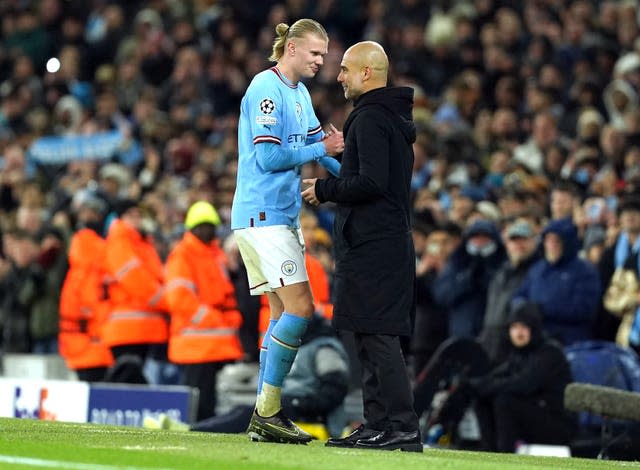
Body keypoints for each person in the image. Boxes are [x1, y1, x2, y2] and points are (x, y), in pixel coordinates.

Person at [302, 41, 422, 452]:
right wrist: (339, 163)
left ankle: (401, 427)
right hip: (381, 243)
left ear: (368, 73)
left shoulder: (369, 118)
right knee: (370, 336)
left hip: (375, 245)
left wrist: (324, 188)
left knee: (379, 336)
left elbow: (369, 184)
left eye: (346, 70)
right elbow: (375, 178)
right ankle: (378, 425)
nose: (339, 77)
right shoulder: (388, 118)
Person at [231, 18, 344, 444]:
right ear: (291, 48)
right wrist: (323, 150)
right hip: (263, 216)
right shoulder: (266, 88)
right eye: (315, 53)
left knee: (281, 315)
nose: (321, 61)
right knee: (301, 309)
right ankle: (267, 410)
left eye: (324, 54)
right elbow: (269, 159)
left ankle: (266, 415)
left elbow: (324, 150)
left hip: (279, 216)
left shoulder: (299, 94)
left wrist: (354, 179)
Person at [426, 302, 577, 452]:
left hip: (557, 424)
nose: (519, 333)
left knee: (504, 401)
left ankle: (504, 453)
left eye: (524, 327)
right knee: (484, 397)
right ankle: (488, 450)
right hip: (535, 415)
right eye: (515, 327)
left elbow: (524, 384)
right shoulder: (519, 355)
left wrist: (482, 386)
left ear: (534, 329)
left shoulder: (549, 353)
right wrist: (470, 387)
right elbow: (495, 377)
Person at [164, 201, 244, 421]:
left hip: (218, 345)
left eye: (211, 225)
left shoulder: (216, 254)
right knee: (199, 408)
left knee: (213, 405)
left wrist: (229, 319)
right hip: (196, 346)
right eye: (203, 226)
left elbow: (226, 293)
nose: (209, 230)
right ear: (193, 228)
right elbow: (179, 298)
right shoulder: (182, 254)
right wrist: (214, 319)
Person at [101, 199, 169, 384]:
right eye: (132, 215)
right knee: (128, 381)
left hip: (140, 327)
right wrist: (167, 300)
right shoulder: (121, 239)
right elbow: (135, 279)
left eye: (139, 214)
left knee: (133, 381)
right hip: (128, 327)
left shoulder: (141, 242)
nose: (137, 219)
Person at [512, 217, 601, 346]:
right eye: (548, 240)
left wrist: (542, 309)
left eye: (557, 241)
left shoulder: (585, 271)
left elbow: (584, 309)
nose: (552, 245)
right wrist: (524, 307)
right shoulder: (538, 269)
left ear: (567, 243)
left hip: (571, 341)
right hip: (538, 340)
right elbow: (518, 295)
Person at [59, 193, 114, 382]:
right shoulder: (90, 248)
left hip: (85, 341)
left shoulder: (80, 257)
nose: (90, 217)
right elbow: (90, 302)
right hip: (90, 340)